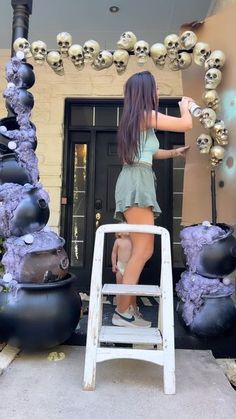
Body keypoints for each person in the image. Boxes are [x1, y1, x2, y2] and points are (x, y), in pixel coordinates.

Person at [112, 70, 193, 328]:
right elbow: (186, 125)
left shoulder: (136, 120)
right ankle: (122, 312)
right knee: (144, 250)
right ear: (145, 92)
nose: (158, 93)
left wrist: (174, 153)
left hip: (137, 178)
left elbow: (151, 151)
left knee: (140, 250)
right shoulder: (145, 116)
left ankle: (126, 307)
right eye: (156, 89)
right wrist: (186, 107)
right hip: (137, 181)